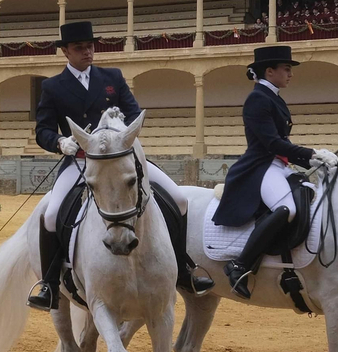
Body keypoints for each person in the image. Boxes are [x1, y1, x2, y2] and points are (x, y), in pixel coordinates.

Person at [26, 21, 213, 310]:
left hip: (120, 158)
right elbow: (42, 130)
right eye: (79, 48)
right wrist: (61, 142)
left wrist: (118, 125)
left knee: (179, 199)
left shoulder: (112, 76)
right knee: (50, 216)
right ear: (65, 52)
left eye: (90, 46)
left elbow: (134, 111)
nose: (87, 52)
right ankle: (50, 284)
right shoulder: (53, 87)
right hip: (80, 162)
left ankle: (184, 268)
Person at [217, 45, 338, 297]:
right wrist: (311, 154)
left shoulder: (272, 96)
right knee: (288, 209)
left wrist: (311, 162)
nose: (290, 74)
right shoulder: (257, 99)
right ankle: (239, 264)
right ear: (269, 71)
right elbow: (271, 142)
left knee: (310, 194)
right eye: (286, 69)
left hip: (278, 165)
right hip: (261, 167)